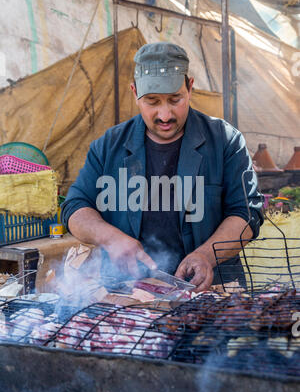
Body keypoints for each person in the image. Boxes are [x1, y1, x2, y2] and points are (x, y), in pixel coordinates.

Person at [61, 42, 263, 292]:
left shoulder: (225, 141)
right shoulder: (108, 146)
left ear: (189, 87)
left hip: (212, 290)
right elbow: (75, 208)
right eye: (152, 101)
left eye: (175, 99)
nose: (165, 115)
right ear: (135, 92)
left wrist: (205, 256)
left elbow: (247, 213)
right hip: (126, 294)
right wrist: (111, 238)